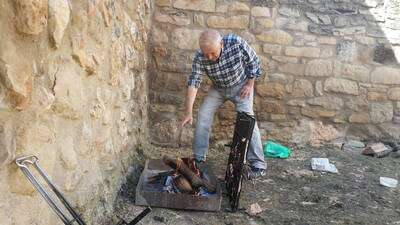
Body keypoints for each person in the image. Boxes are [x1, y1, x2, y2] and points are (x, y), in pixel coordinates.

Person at [180, 29, 266, 179]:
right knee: (203, 115)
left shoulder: (236, 43)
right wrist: (188, 112)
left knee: (248, 120)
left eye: (213, 53)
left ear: (221, 44)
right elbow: (194, 83)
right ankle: (199, 158)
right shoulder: (200, 56)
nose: (210, 57)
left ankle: (258, 165)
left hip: (241, 87)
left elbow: (254, 63)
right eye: (206, 54)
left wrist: (250, 84)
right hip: (218, 89)